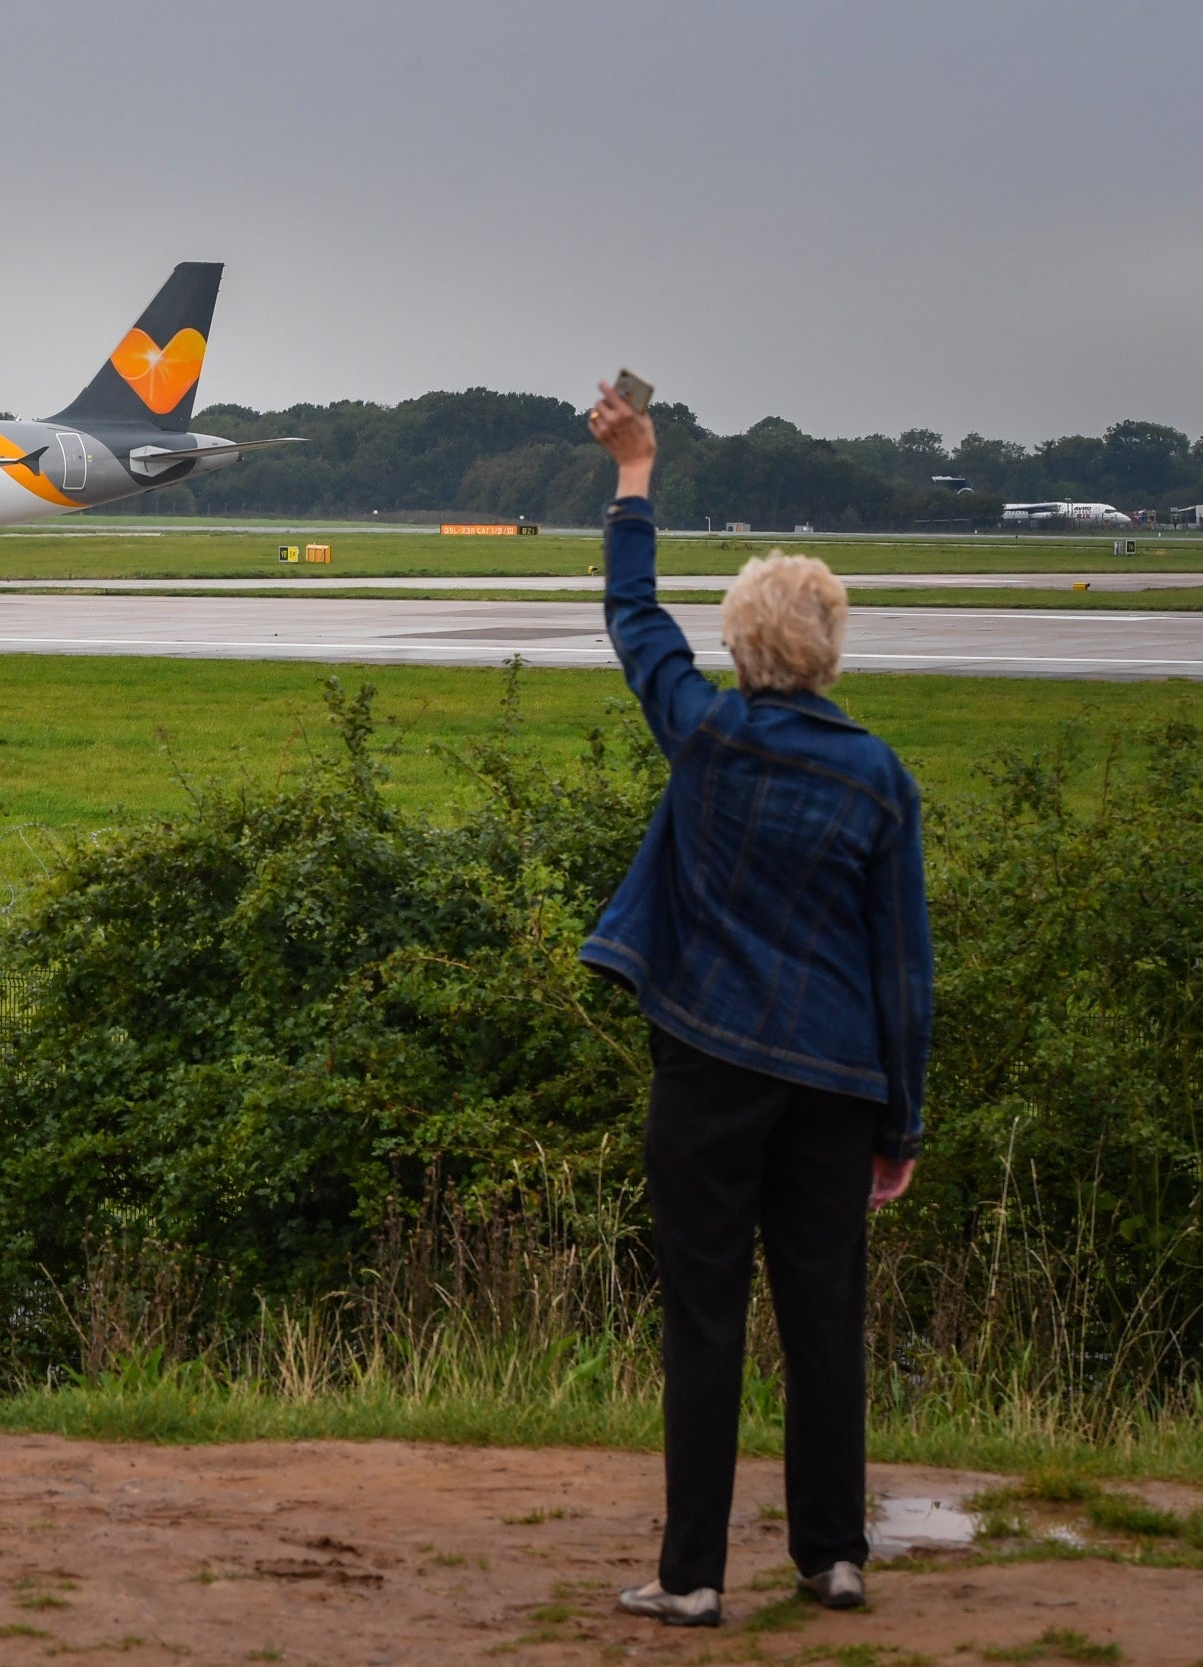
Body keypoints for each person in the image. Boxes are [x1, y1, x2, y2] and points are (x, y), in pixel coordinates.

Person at [578, 383, 930, 1628]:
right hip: (837, 1080)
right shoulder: (880, 777)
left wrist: (636, 475)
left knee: (704, 1315)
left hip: (709, 1065)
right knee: (825, 1315)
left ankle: (690, 1574)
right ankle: (833, 1555)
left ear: (740, 645)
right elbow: (903, 965)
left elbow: (633, 623)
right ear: (831, 648)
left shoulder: (709, 736)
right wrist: (902, 1121)